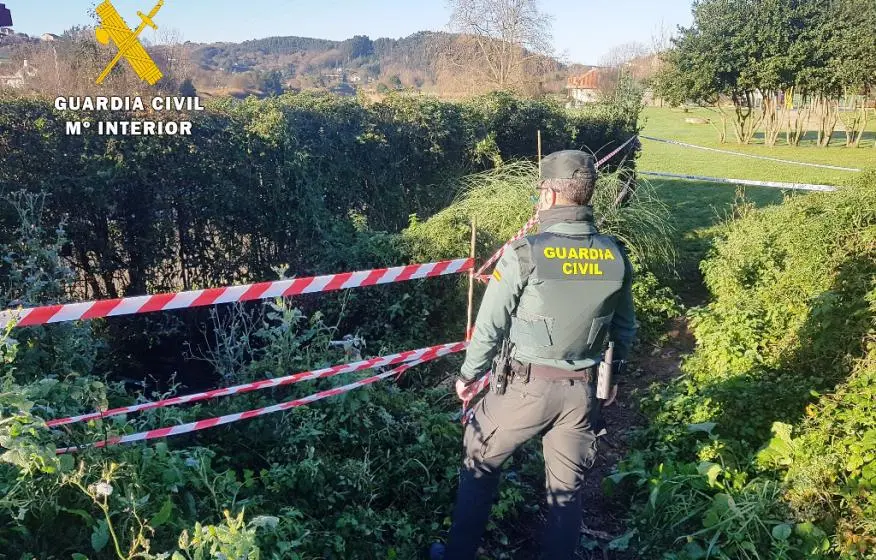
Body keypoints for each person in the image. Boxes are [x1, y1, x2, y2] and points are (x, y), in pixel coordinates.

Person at [432, 150, 637, 560]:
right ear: (587, 193)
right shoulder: (615, 253)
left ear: (547, 194)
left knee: (479, 459)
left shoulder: (525, 252)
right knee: (566, 494)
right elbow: (625, 327)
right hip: (581, 394)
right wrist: (613, 378)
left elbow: (490, 325)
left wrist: (469, 375)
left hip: (524, 389)